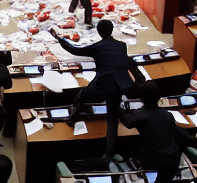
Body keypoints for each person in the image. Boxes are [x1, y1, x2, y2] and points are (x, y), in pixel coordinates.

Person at [50, 21, 135, 160]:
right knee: (112, 119)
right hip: (119, 83)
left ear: (99, 32)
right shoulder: (122, 45)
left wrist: (59, 39)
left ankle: (72, 119)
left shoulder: (99, 47)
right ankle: (109, 153)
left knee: (82, 96)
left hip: (104, 82)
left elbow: (75, 50)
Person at [118, 83, 190, 183]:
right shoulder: (166, 114)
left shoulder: (141, 115)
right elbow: (175, 133)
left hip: (157, 159)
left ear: (142, 98)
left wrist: (116, 108)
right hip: (173, 156)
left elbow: (128, 122)